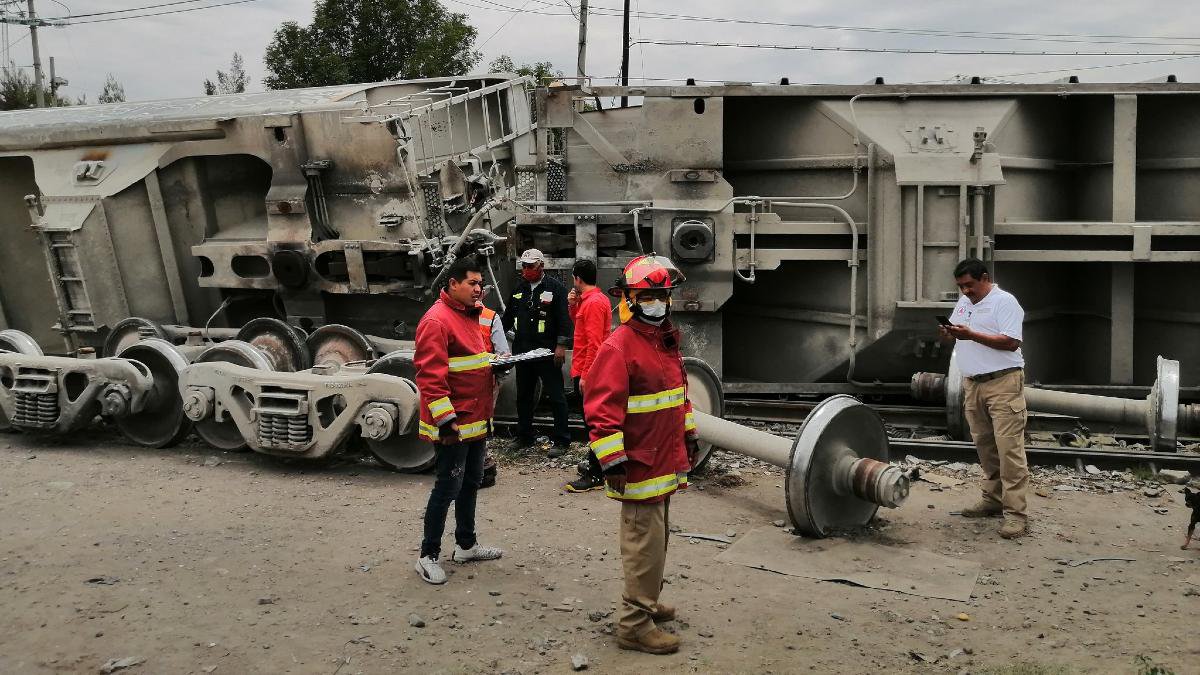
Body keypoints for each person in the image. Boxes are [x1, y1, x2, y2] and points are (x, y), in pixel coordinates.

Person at [584, 254, 699, 655]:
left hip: (662, 458)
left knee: (657, 540)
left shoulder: (662, 339)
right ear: (629, 298)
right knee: (642, 545)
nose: (658, 303)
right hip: (638, 464)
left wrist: (689, 434)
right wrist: (612, 461)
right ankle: (634, 624)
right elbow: (601, 410)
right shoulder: (620, 347)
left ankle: (646, 603)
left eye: (663, 295)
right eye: (649, 296)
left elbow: (676, 397)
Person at [413, 257, 504, 584]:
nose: (479, 289)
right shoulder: (437, 321)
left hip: (475, 421)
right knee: (448, 486)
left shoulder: (470, 316)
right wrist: (447, 423)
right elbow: (430, 378)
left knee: (470, 482)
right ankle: (427, 555)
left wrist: (496, 366)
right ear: (453, 284)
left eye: (481, 284)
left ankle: (466, 545)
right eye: (472, 283)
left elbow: (471, 364)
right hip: (455, 426)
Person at [939, 257, 1030, 540]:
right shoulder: (965, 303)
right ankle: (992, 500)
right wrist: (948, 333)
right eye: (961, 287)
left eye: (969, 285)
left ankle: (1016, 515)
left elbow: (1011, 342)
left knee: (1009, 449)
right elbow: (955, 336)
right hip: (974, 384)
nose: (965, 291)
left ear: (984, 278)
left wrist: (971, 336)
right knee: (985, 446)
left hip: (1003, 382)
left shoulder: (1006, 302)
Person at [501, 248, 573, 457]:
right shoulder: (519, 289)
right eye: (523, 266)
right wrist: (493, 342)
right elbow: (507, 319)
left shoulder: (556, 289)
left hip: (546, 352)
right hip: (523, 352)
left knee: (557, 396)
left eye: (530, 266)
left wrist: (561, 346)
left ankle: (562, 439)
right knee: (523, 395)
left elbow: (564, 320)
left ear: (541, 266)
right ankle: (524, 436)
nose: (526, 270)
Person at [564, 258, 612, 493]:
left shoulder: (593, 304)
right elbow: (580, 328)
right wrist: (573, 306)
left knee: (593, 423)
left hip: (588, 371)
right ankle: (598, 465)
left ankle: (596, 475)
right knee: (592, 422)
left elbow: (594, 344)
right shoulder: (592, 301)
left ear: (577, 279)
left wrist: (586, 375)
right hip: (587, 369)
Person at [477, 285, 509, 489]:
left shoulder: (449, 317)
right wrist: (499, 377)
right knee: (483, 424)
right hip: (486, 381)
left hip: (459, 383)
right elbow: (503, 355)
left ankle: (479, 465)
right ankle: (483, 464)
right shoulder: (490, 317)